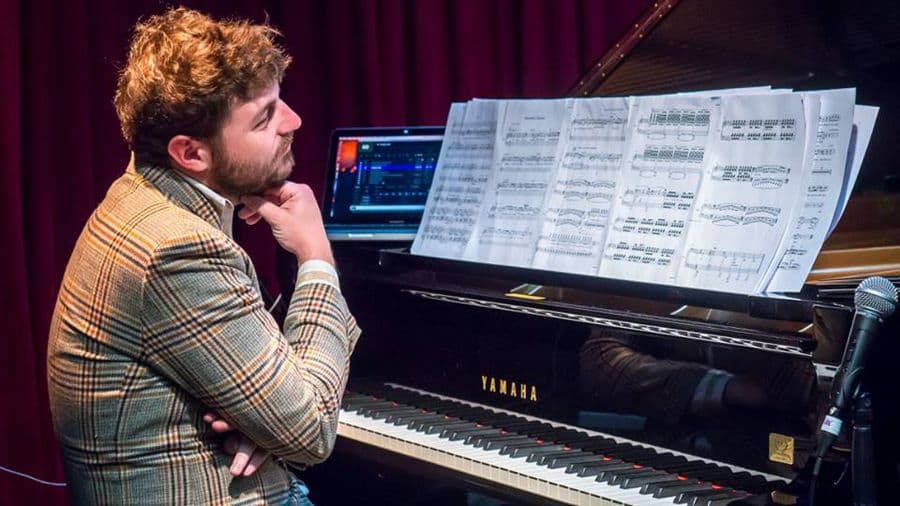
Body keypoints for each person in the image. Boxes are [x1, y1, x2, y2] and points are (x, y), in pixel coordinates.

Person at [47, 7, 360, 504]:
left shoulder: (137, 196)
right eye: (264, 117)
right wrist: (315, 254)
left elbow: (280, 411)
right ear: (191, 154)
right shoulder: (176, 247)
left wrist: (262, 415)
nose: (294, 121)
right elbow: (312, 430)